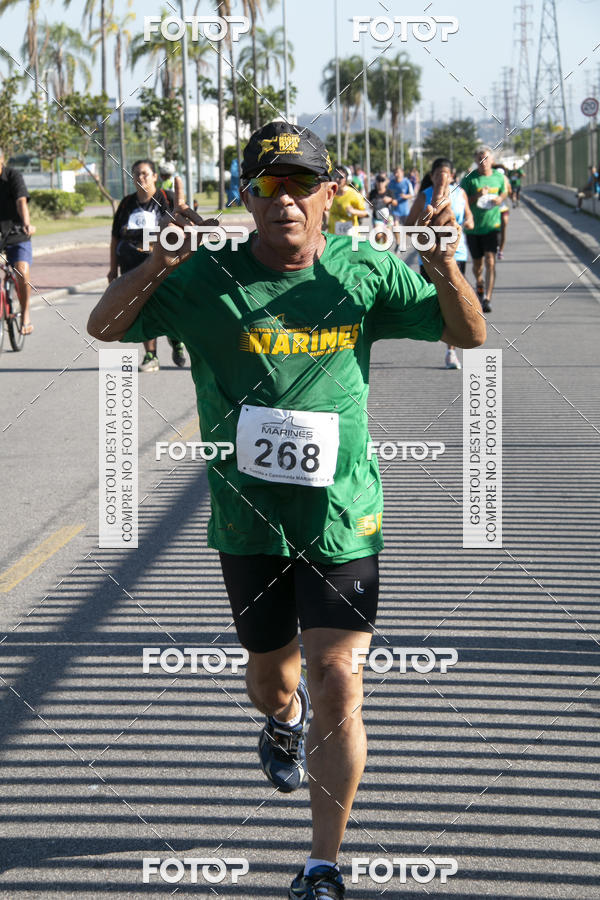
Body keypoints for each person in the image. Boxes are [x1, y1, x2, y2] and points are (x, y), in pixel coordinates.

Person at [88, 120, 485, 900]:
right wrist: (159, 260)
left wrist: (444, 269)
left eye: (304, 184)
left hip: (343, 518)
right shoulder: (208, 279)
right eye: (270, 186)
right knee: (273, 678)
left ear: (330, 194)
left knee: (340, 675)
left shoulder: (364, 270)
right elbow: (105, 327)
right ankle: (279, 718)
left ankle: (322, 863)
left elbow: (468, 337)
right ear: (247, 197)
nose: (288, 201)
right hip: (249, 523)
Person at [108, 159, 187, 372]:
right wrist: (112, 269)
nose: (140, 177)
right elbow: (115, 238)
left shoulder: (166, 199)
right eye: (136, 174)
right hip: (133, 268)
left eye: (144, 173)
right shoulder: (126, 204)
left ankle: (176, 340)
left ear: (154, 176)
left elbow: (183, 228)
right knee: (142, 309)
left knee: (169, 307)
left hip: (165, 267)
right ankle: (151, 355)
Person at [406, 157, 474, 369]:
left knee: (453, 303)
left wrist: (460, 223)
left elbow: (470, 220)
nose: (441, 178)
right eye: (437, 174)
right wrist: (426, 229)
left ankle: (450, 351)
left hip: (456, 255)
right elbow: (408, 225)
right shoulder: (424, 196)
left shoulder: (460, 194)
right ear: (432, 176)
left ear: (452, 176)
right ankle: (440, 334)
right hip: (428, 257)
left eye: (445, 174)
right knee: (433, 304)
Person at [461, 146, 507, 313]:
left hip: (492, 226)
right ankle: (479, 281)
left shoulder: (498, 178)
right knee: (477, 265)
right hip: (474, 229)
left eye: (486, 158)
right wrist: (477, 196)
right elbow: (463, 201)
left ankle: (487, 298)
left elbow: (504, 192)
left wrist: (499, 199)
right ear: (475, 161)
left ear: (492, 161)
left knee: (490, 260)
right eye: (480, 159)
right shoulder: (469, 179)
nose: (483, 162)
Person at [0, 148, 35, 334]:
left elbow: (21, 202)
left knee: (21, 269)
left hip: (16, 231)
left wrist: (27, 224)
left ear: (2, 161)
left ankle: (26, 313)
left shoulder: (13, 176)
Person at [327, 165, 368, 236]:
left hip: (351, 237)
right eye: (335, 176)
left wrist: (353, 211)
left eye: (340, 177)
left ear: (347, 179)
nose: (337, 179)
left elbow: (366, 213)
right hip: (334, 237)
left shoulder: (354, 194)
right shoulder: (329, 193)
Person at [387, 165, 414, 251]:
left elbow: (412, 194)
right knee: (395, 226)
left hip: (405, 210)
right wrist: (391, 200)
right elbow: (387, 194)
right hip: (395, 210)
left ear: (402, 173)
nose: (396, 174)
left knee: (407, 229)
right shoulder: (391, 183)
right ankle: (398, 242)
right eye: (395, 173)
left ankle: (403, 242)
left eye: (398, 172)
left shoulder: (407, 182)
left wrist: (405, 196)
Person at [493, 163, 511, 260]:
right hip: (492, 210)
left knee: (503, 229)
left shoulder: (506, 180)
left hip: (503, 208)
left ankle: (501, 251)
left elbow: (510, 192)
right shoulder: (491, 181)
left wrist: (508, 189)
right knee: (494, 231)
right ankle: (494, 245)